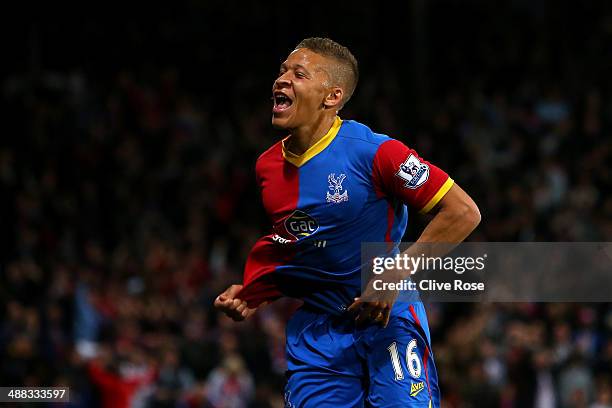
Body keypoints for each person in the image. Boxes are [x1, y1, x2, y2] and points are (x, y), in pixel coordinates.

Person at [214, 37, 480, 407]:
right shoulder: (266, 168)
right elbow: (305, 245)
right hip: (318, 334)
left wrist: (394, 273)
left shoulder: (378, 153)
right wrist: (254, 292)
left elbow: (463, 212)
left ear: (332, 96)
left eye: (299, 74)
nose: (282, 80)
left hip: (389, 318)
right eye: (282, 71)